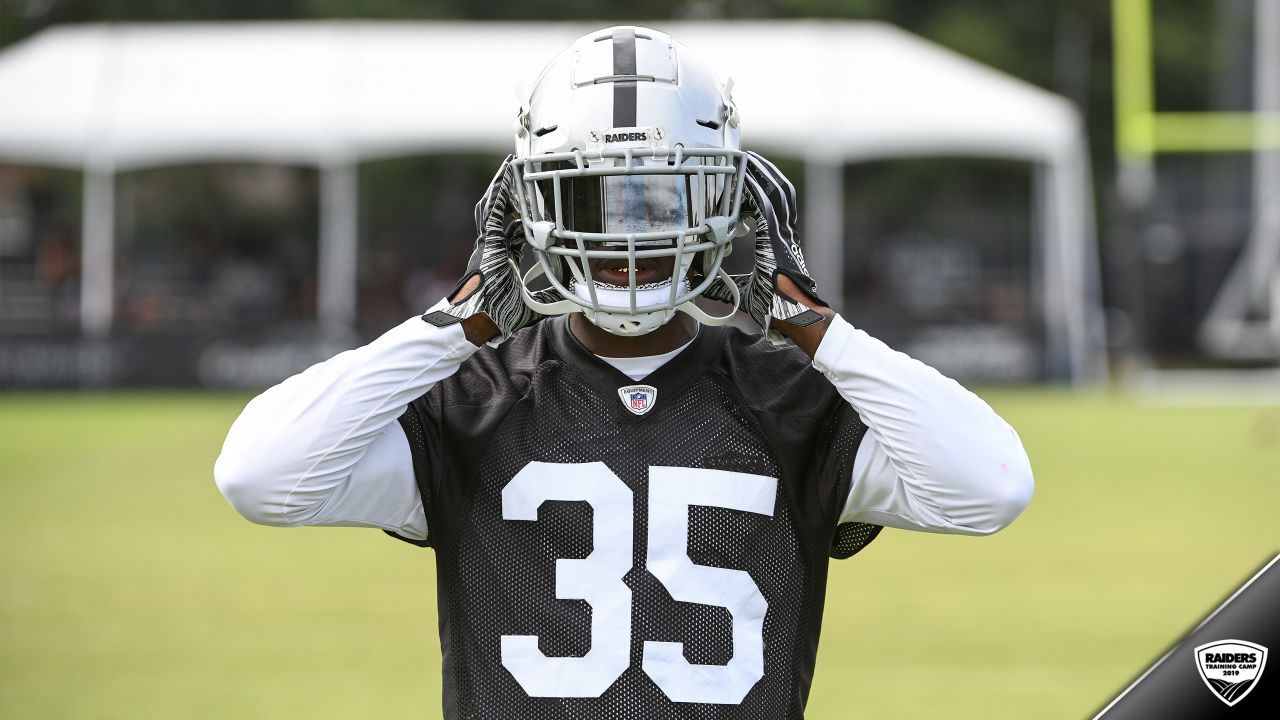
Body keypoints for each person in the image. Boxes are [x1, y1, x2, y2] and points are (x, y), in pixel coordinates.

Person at [214, 26, 1033, 720]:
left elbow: (990, 488)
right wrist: (454, 324)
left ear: (728, 203)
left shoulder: (790, 399)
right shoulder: (474, 399)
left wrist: (812, 326)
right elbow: (261, 475)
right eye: (594, 201)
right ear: (532, 210)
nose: (627, 236)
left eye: (661, 200)